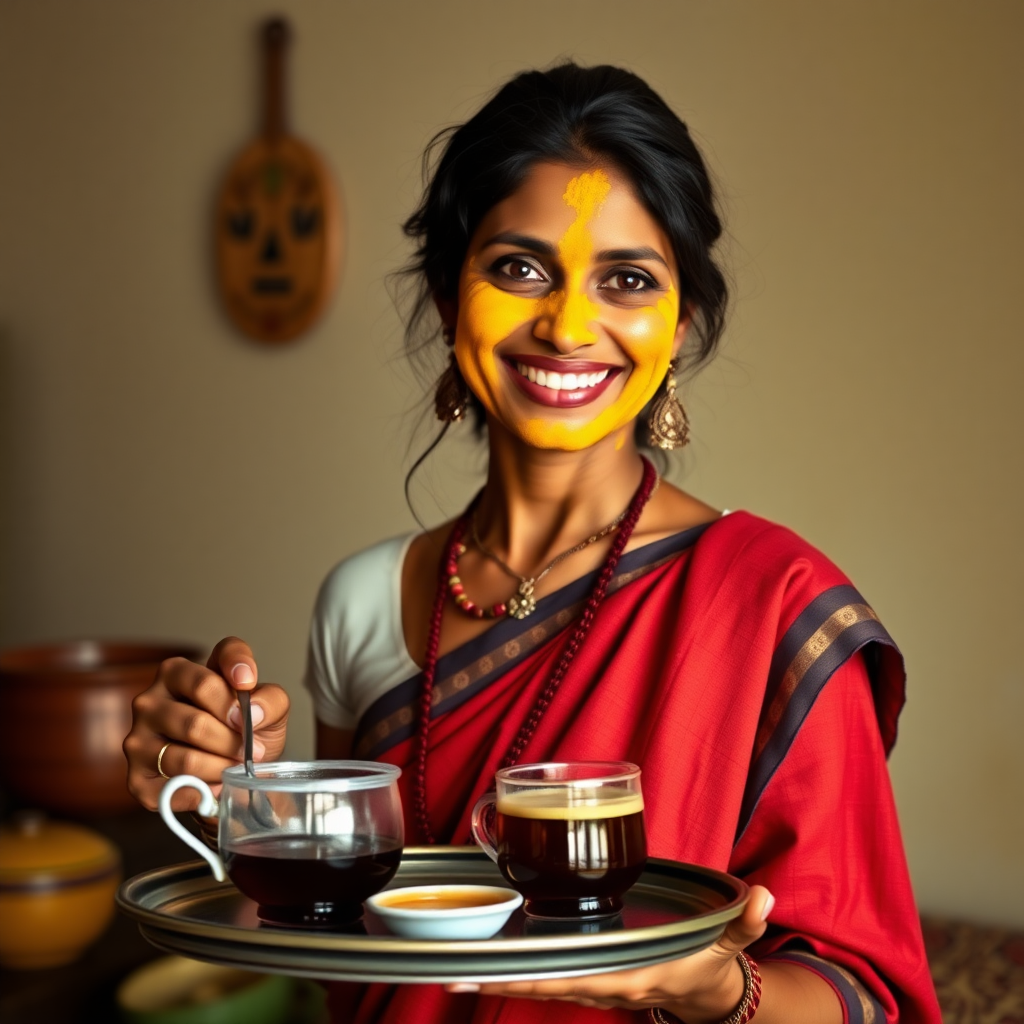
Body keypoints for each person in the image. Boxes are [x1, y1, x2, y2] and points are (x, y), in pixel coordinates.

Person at [125, 63, 942, 1024]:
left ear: (677, 326)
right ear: (446, 297)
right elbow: (345, 952)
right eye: (518, 268)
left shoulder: (771, 603)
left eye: (628, 280)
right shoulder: (360, 600)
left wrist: (711, 985)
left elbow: (869, 1002)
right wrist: (235, 792)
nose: (566, 324)